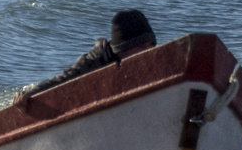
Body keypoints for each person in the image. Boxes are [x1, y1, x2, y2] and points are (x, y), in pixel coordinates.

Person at [21, 9, 157, 97]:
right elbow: (61, 81)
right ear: (123, 50)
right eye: (142, 47)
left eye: (151, 45)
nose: (149, 51)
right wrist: (29, 96)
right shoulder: (94, 62)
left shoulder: (152, 59)